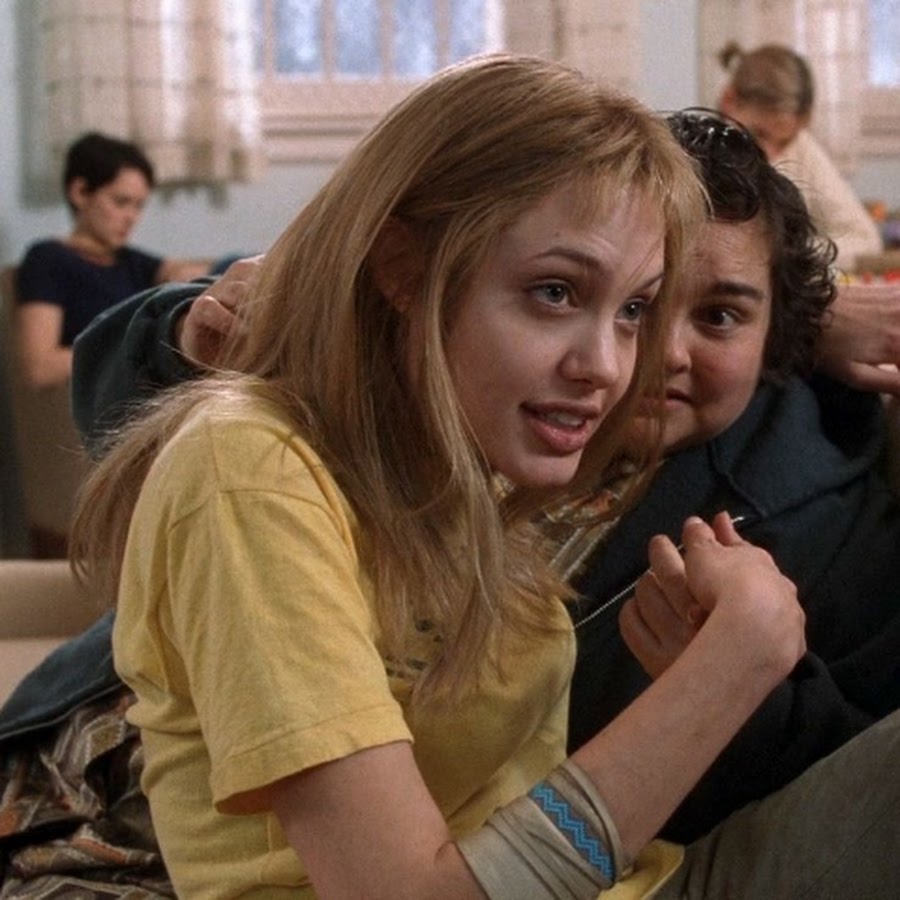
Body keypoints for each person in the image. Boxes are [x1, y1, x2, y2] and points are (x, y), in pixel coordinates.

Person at [60, 55, 900, 899]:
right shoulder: (257, 466)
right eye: (555, 292)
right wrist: (728, 671)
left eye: (633, 309)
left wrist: (802, 317)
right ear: (402, 270)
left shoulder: (487, 457)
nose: (619, 366)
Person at [562, 109, 900, 842]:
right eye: (639, 304)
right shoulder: (498, 422)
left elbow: (867, 775)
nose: (667, 353)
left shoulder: (831, 523)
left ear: (778, 333)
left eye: (719, 316)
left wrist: (736, 695)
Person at [14, 131, 211, 388]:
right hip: (100, 397)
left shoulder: (131, 261)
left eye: (139, 206)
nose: (131, 217)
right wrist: (134, 345)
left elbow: (182, 272)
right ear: (80, 192)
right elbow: (40, 368)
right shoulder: (48, 259)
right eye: (121, 202)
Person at [718, 42, 883, 272]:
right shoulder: (702, 152)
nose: (770, 156)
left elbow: (865, 240)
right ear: (728, 102)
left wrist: (790, 254)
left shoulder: (802, 149)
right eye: (759, 134)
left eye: (785, 142)